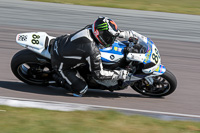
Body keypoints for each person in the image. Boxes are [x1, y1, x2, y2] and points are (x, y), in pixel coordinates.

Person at [51, 16, 140, 97]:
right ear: (98, 33)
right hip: (60, 61)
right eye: (108, 37)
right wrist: (120, 74)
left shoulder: (91, 28)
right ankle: (57, 77)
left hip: (62, 41)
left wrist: (126, 35)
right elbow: (99, 74)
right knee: (81, 90)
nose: (111, 40)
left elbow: (111, 31)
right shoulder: (91, 49)